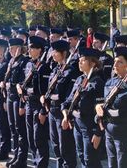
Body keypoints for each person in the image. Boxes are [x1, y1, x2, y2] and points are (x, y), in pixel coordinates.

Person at [62, 48, 104, 167]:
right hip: (78, 125)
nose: (79, 62)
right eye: (79, 60)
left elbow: (101, 112)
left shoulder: (97, 83)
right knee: (81, 156)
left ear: (93, 62)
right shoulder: (80, 79)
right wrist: (65, 113)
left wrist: (98, 133)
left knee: (90, 159)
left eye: (83, 60)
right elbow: (69, 100)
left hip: (90, 128)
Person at [40, 40, 77, 168]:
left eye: (55, 52)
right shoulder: (56, 69)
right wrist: (45, 97)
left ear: (64, 53)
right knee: (55, 145)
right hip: (52, 111)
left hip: (62, 113)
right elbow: (50, 88)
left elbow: (68, 96)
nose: (53, 54)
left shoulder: (71, 71)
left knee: (65, 146)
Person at [95, 47, 127, 168]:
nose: (115, 64)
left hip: (125, 135)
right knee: (112, 164)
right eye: (115, 61)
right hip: (109, 132)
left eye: (120, 62)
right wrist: (98, 106)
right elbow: (102, 102)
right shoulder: (110, 82)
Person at [18, 36, 51, 167]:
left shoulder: (44, 67)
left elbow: (45, 91)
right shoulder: (28, 64)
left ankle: (42, 164)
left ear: (40, 50)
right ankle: (36, 162)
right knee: (31, 136)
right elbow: (24, 83)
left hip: (39, 105)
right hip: (29, 104)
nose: (30, 50)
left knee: (39, 138)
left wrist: (43, 111)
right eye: (30, 47)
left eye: (33, 48)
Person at [0, 38, 28, 168]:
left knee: (20, 129)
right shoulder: (12, 61)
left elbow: (23, 84)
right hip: (10, 98)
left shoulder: (24, 61)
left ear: (19, 48)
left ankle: (21, 159)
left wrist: (22, 105)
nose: (10, 51)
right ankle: (16, 155)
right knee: (12, 128)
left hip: (18, 99)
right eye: (10, 48)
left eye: (13, 48)